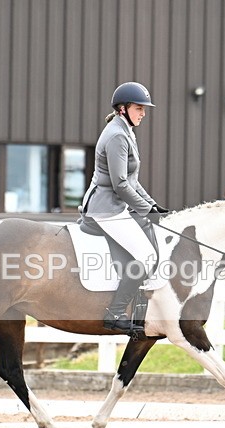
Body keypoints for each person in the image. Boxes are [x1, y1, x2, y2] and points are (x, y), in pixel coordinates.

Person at [79, 82, 168, 335]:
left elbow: (132, 181)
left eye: (144, 109)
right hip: (106, 207)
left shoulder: (125, 130)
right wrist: (145, 210)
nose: (143, 113)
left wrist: (152, 206)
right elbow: (119, 184)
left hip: (114, 205)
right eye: (139, 108)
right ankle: (115, 313)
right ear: (123, 108)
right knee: (147, 255)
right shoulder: (117, 135)